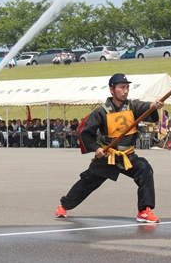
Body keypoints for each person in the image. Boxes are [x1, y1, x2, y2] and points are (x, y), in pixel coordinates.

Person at [55, 73, 164, 223]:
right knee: (88, 181)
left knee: (144, 169)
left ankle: (144, 210)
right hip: (109, 156)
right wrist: (96, 148)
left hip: (127, 155)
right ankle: (64, 205)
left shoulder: (133, 106)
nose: (125, 91)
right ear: (112, 89)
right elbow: (85, 132)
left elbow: (146, 108)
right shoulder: (102, 111)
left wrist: (153, 106)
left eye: (127, 88)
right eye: (122, 87)